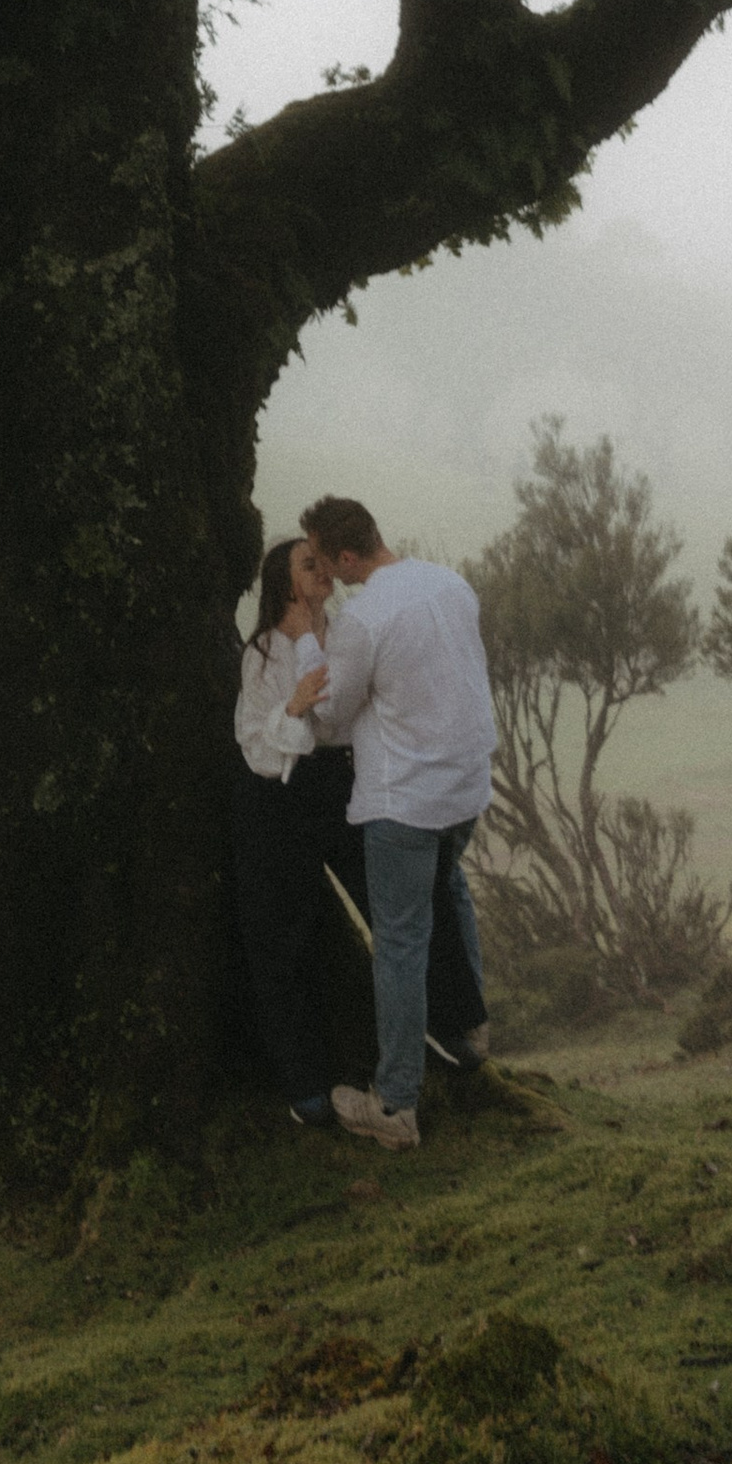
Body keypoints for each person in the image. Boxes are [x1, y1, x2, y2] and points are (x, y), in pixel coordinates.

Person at [301, 491, 495, 1152]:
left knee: (401, 943)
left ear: (346, 557)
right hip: (465, 788)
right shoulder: (450, 583)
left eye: (323, 561)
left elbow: (331, 718)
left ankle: (395, 1105)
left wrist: (304, 683)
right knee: (451, 890)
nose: (325, 576)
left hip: (405, 801)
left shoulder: (363, 618)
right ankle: (469, 1029)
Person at [231, 531, 351, 1122]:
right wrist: (296, 706)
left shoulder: (347, 634)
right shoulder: (261, 653)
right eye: (310, 564)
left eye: (324, 561)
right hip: (276, 799)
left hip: (343, 784)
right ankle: (305, 1085)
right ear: (285, 584)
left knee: (387, 907)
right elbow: (257, 746)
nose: (323, 570)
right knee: (285, 937)